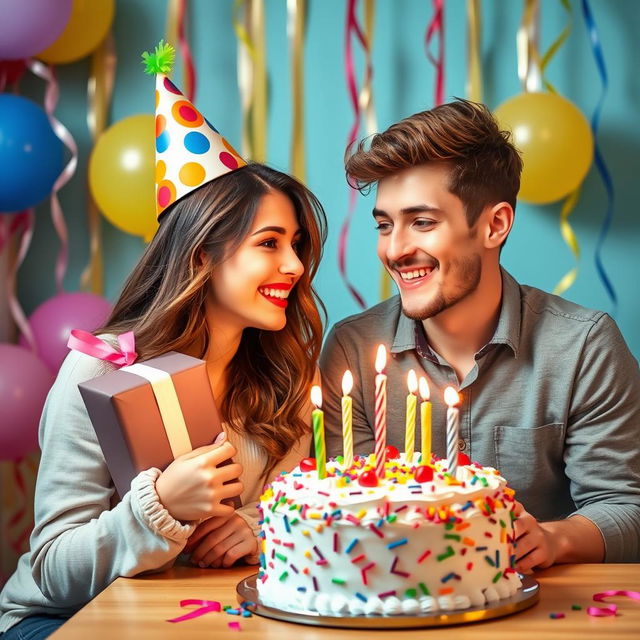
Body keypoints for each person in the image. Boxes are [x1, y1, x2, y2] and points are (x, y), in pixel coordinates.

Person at [0, 43, 326, 640]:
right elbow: (52, 570)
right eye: (271, 243)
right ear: (203, 253)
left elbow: (293, 512)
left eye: (298, 245)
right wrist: (161, 508)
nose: (296, 266)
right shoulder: (99, 370)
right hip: (59, 622)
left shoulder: (281, 381)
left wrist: (260, 528)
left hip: (195, 621)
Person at [320, 98, 640, 572]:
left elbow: (626, 507)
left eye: (422, 222)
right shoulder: (354, 350)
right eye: (385, 225)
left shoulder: (584, 346)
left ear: (495, 225)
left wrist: (553, 539)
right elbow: (351, 514)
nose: (395, 249)